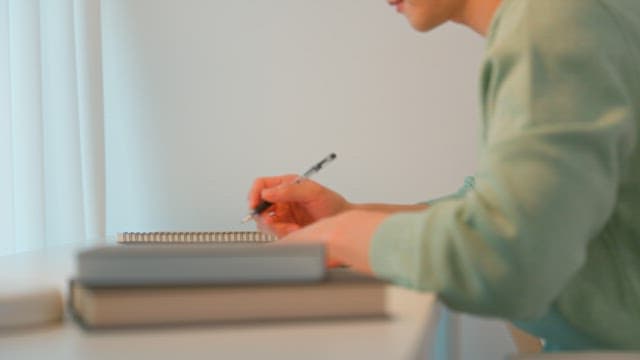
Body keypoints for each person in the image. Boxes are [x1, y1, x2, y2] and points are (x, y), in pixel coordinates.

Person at [247, 0, 640, 352]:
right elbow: (488, 209)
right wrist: (345, 215)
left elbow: (506, 259)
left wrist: (338, 236)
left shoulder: (551, 21)